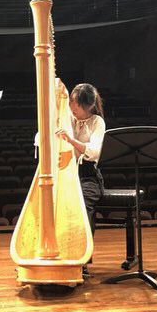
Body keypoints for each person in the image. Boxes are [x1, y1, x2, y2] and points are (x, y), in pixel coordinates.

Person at [55, 83, 105, 277]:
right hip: (67, 171)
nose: (72, 106)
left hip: (88, 174)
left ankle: (82, 258)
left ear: (88, 105)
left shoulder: (97, 122)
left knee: (83, 206)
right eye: (71, 101)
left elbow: (94, 152)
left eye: (76, 103)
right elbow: (41, 136)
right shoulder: (66, 117)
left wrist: (71, 140)